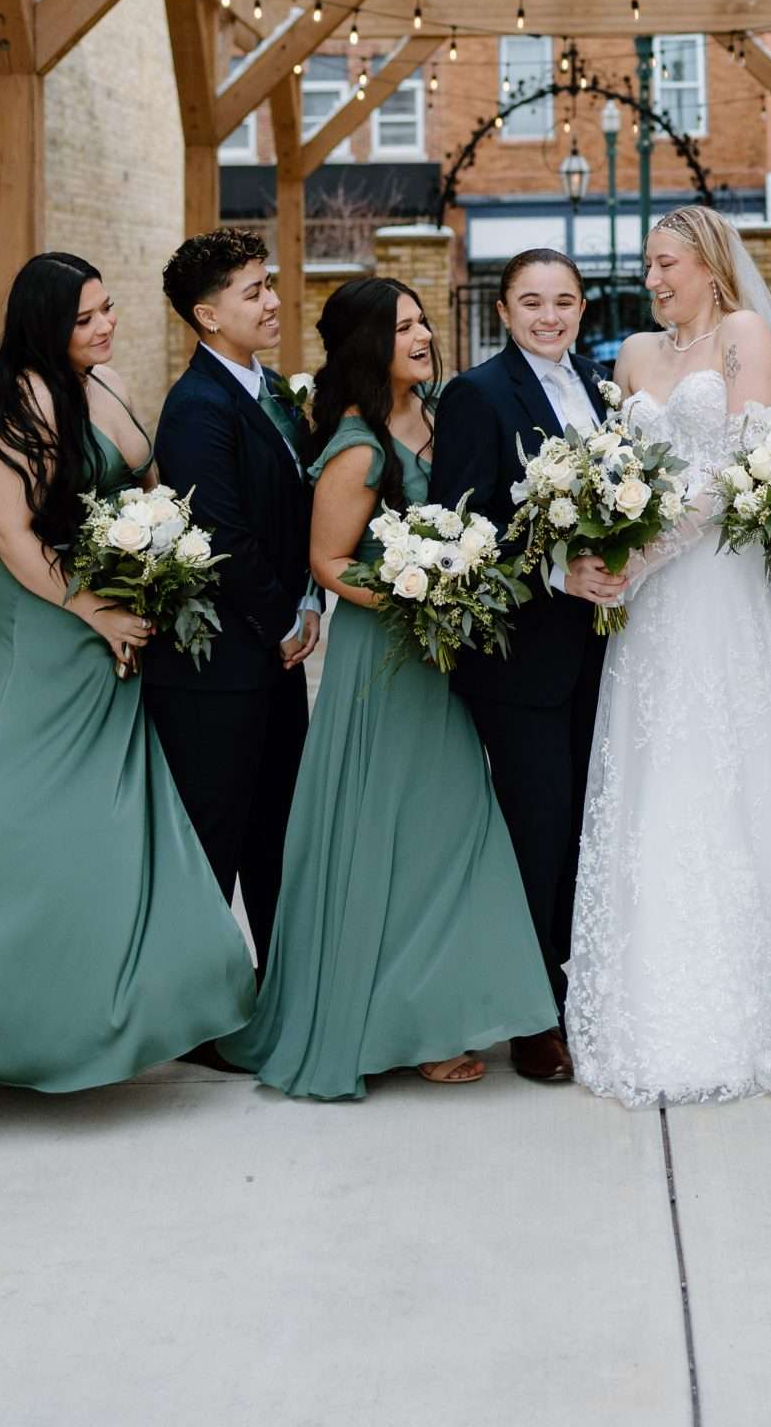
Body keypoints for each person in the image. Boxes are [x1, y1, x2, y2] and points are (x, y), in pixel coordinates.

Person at [0, 254, 253, 1093]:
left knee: (113, 822)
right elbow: (5, 526)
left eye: (107, 309)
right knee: (13, 824)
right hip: (40, 628)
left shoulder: (100, 380)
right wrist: (92, 608)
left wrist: (155, 566)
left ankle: (137, 1007)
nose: (104, 326)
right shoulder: (31, 394)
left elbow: (144, 487)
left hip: (109, 621)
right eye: (84, 318)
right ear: (45, 326)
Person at [222, 278, 554, 1096]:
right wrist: (421, 592)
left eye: (422, 322)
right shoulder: (359, 445)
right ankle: (400, 1030)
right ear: (368, 342)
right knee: (397, 836)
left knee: (451, 837)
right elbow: (328, 563)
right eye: (402, 326)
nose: (422, 336)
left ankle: (437, 1007)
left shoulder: (438, 412)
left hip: (440, 655)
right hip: (388, 658)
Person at [566, 207, 771, 1107]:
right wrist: (602, 546)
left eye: (665, 263)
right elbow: (614, 469)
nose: (653, 278)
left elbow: (746, 465)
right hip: (648, 601)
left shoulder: (748, 334)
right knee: (649, 772)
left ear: (709, 264)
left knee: (724, 771)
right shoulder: (632, 354)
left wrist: (653, 547)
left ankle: (748, 1012)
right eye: (648, 265)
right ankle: (643, 1002)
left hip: (716, 582)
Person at [427, 248, 615, 1085]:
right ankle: (534, 1016)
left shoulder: (601, 392)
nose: (550, 316)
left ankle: (586, 991)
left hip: (605, 648)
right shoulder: (476, 394)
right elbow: (458, 526)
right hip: (522, 656)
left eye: (564, 301)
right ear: (502, 311)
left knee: (586, 830)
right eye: (532, 302)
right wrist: (553, 572)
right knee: (536, 834)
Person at [146, 229, 320, 990]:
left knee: (276, 830)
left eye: (268, 284)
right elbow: (220, 532)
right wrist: (284, 618)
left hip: (274, 659)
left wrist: (310, 599)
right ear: (208, 316)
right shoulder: (196, 408)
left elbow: (300, 508)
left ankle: (280, 983)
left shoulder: (272, 390)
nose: (273, 301)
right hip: (215, 667)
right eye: (253, 291)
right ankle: (196, 1003)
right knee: (215, 835)